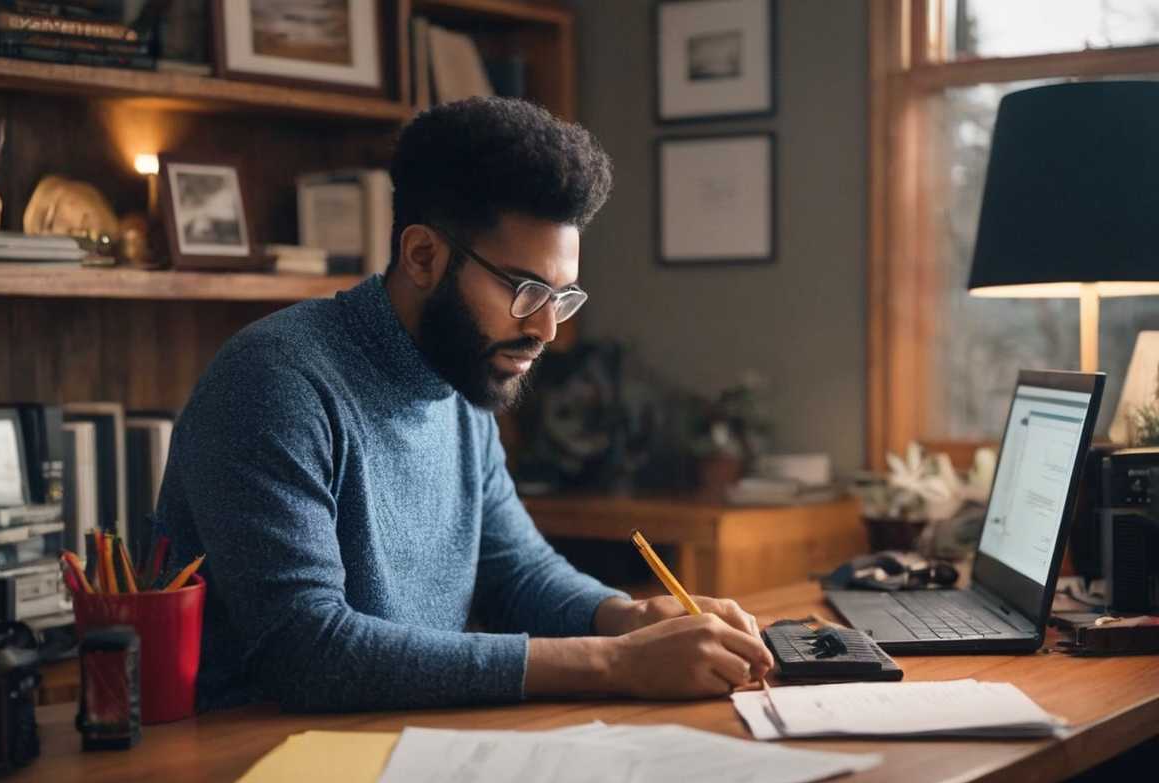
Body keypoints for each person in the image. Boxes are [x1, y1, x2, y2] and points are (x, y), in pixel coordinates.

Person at [153, 97, 773, 712]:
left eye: (563, 296)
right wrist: (613, 662)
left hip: (407, 748)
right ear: (423, 256)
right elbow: (305, 650)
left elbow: (517, 571)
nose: (549, 329)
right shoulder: (274, 381)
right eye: (527, 290)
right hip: (255, 766)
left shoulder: (461, 376)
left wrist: (631, 617)